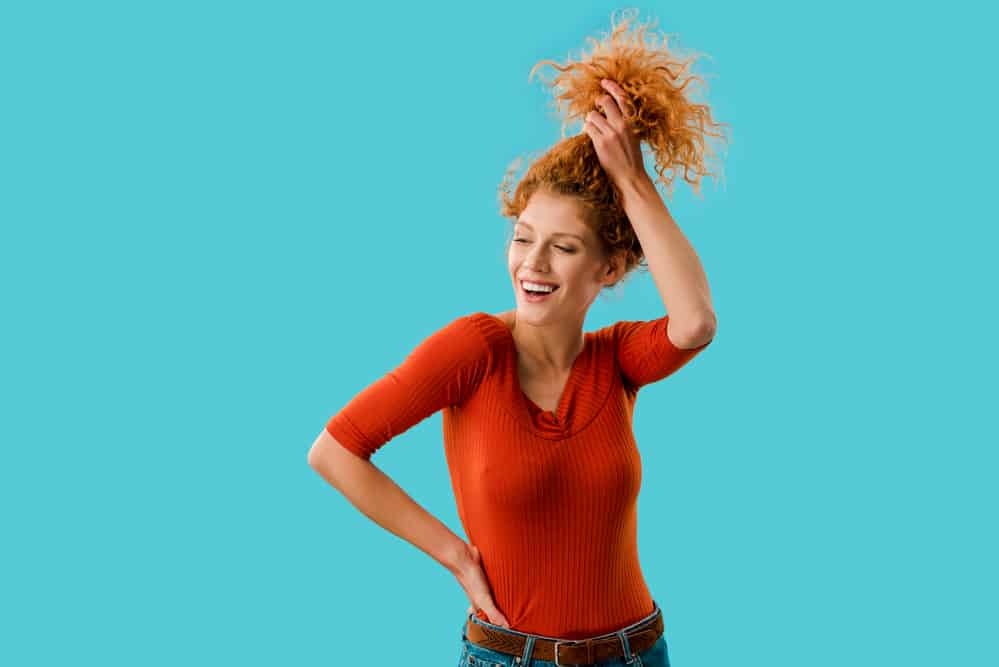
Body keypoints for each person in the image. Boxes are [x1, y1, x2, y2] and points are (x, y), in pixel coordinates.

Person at [308, 10, 728, 666]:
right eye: (522, 237)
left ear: (608, 269)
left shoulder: (616, 358)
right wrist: (455, 556)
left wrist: (631, 180)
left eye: (562, 248)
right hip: (512, 656)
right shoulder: (472, 351)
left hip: (635, 652)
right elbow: (335, 450)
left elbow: (696, 321)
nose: (531, 265)